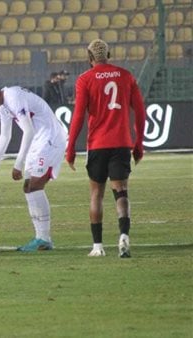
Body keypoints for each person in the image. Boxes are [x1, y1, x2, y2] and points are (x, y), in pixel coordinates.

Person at [65, 39, 146, 258]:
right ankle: (124, 236)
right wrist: (139, 143)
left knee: (96, 194)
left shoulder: (85, 79)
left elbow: (79, 116)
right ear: (108, 54)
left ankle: (98, 247)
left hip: (98, 145)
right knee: (121, 191)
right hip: (121, 143)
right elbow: (140, 112)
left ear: (89, 57)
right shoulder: (126, 76)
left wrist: (70, 148)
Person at [0, 86, 67, 252]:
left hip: (50, 138)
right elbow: (5, 136)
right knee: (28, 187)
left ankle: (44, 238)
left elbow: (28, 130)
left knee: (36, 185)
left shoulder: (13, 97)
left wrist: (18, 164)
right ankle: (40, 238)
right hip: (38, 141)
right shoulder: (3, 106)